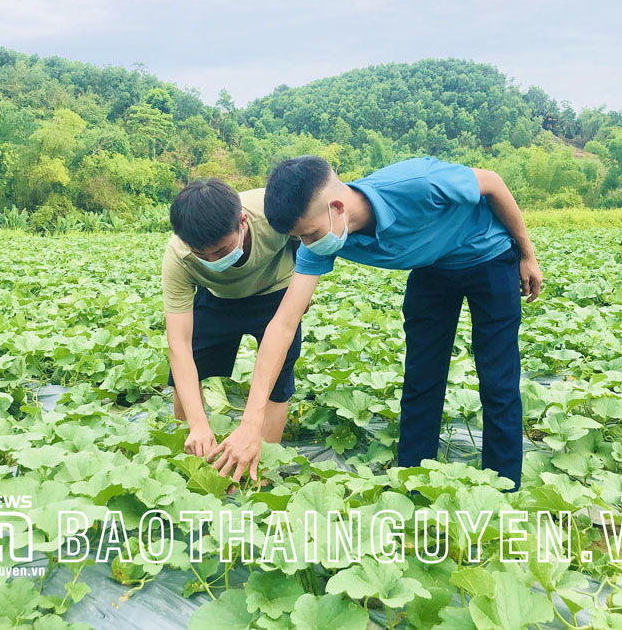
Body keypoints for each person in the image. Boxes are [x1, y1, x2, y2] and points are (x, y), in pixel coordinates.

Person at [207, 155, 542, 492]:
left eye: (309, 235)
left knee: (497, 379)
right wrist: (251, 422)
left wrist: (527, 254)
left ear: (337, 207)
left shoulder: (418, 182)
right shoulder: (318, 239)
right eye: (300, 239)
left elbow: (493, 183)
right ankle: (413, 482)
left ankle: (503, 488)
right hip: (432, 267)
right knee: (421, 379)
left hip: (488, 255)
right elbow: (282, 324)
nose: (307, 245)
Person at [163, 178, 301, 459]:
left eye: (222, 251)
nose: (214, 261)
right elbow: (179, 344)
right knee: (190, 366)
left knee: (278, 378)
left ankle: (260, 468)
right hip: (216, 297)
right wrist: (199, 424)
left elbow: (305, 240)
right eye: (203, 254)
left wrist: (301, 288)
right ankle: (196, 457)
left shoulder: (275, 212)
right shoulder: (179, 256)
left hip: (276, 291)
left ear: (243, 221)